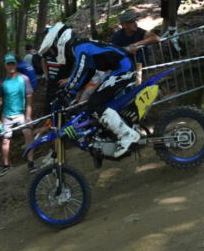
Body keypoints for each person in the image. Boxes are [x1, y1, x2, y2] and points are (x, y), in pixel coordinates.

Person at [40, 23, 139, 159]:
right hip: (119, 69)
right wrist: (70, 93)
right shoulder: (81, 47)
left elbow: (80, 70)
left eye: (53, 49)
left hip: (123, 69)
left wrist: (68, 89)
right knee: (93, 104)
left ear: (60, 41)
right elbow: (87, 73)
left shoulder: (79, 47)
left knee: (95, 103)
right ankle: (109, 137)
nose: (54, 53)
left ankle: (127, 135)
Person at [0, 53, 35, 176]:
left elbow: (29, 98)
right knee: (5, 140)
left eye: (13, 63)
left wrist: (28, 116)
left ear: (16, 64)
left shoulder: (24, 79)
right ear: (5, 65)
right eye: (8, 64)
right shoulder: (2, 83)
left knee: (28, 134)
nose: (11, 66)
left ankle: (31, 162)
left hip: (21, 114)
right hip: (7, 115)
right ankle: (6, 165)